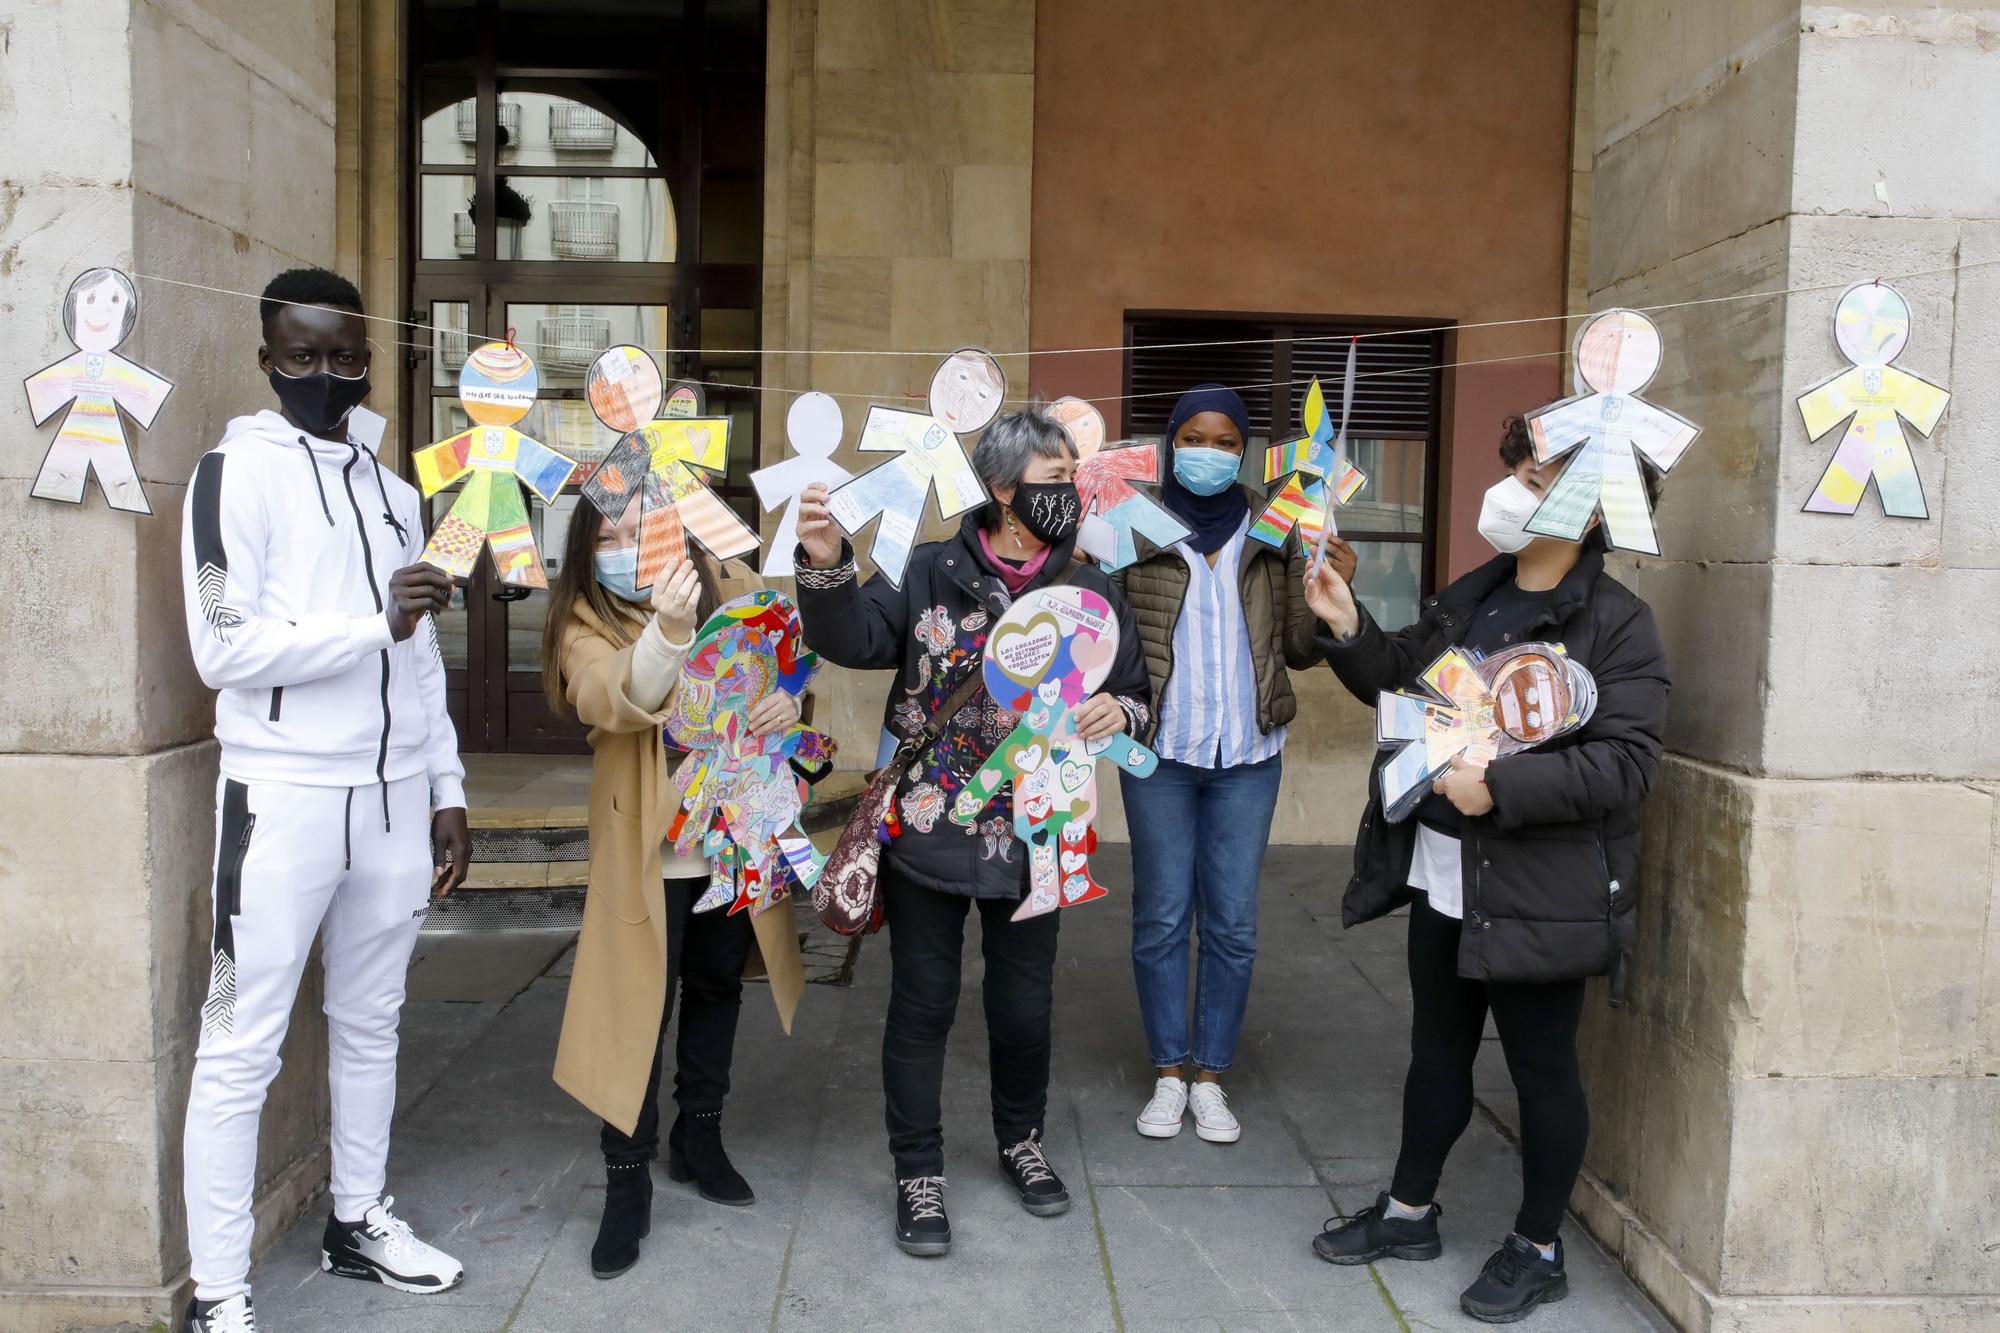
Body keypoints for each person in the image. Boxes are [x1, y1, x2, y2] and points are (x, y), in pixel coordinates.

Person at [1304, 416, 1671, 1324]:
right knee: (1437, 1049)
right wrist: (1348, 622)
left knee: (1543, 1069)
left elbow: (1625, 765)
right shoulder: (1477, 593)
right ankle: (1408, 1212)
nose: (1510, 487)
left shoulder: (1618, 625)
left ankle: (1538, 1246)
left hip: (1540, 889)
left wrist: (1497, 787)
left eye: (1536, 479)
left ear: (1594, 508)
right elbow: (1407, 684)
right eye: (1519, 467)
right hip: (1444, 870)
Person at [178, 268, 472, 1333]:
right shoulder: (231, 474)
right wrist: (368, 625)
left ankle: (357, 1218)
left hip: (392, 802)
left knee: (372, 1022)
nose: (325, 375)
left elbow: (421, 655)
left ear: (369, 360)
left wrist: (446, 785)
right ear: (268, 360)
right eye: (302, 356)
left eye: (346, 357)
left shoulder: (395, 492)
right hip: (282, 798)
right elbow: (223, 646)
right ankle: (218, 1291)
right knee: (239, 1042)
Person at [792, 407, 1154, 1258]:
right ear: (1002, 486)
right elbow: (854, 636)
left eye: (1074, 478)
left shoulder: (1094, 591)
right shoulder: (929, 570)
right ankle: (918, 1170)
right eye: (1055, 478)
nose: (1071, 493)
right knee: (923, 1003)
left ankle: (1021, 1139)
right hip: (931, 826)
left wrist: (1120, 710)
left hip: (1041, 830)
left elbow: (1139, 694)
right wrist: (827, 562)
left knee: (1024, 1007)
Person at [540, 504, 808, 1279]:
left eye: (639, 532)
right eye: (606, 538)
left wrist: (788, 701)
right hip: (647, 849)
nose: (624, 550)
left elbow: (788, 660)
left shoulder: (732, 579)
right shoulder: (584, 617)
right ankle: (627, 1179)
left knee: (718, 985)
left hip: (729, 838)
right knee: (638, 1009)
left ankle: (701, 1135)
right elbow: (610, 695)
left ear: (675, 530)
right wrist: (668, 629)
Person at [1115, 384, 1351, 1145]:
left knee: (1234, 923)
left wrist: (1331, 590)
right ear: (1171, 441)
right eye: (1195, 438)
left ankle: (1211, 1077)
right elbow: (1102, 628)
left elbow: (1299, 649)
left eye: (1226, 442)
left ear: (1243, 451)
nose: (1209, 453)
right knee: (1160, 916)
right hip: (1159, 753)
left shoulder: (1275, 523)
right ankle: (1167, 1072)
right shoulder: (1134, 520)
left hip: (1249, 756)